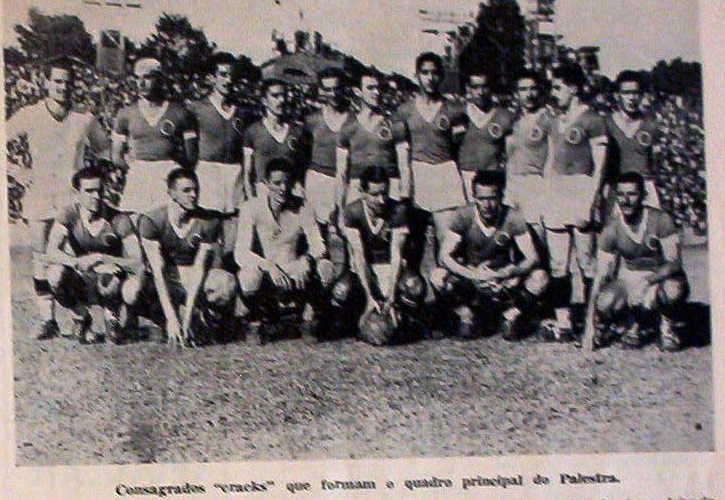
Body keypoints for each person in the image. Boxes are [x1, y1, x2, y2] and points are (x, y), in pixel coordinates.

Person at [6, 57, 107, 340]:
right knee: (40, 258)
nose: (63, 87)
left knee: (70, 260)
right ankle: (47, 319)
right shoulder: (30, 114)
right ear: (46, 82)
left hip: (71, 200)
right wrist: (15, 170)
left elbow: (105, 151)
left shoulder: (84, 118)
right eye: (57, 81)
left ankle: (79, 316)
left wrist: (92, 181)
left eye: (68, 82)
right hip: (39, 196)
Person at [430, 170, 548, 340]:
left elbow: (533, 257)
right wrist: (472, 275)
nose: (487, 205)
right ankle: (467, 315)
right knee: (437, 275)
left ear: (501, 196)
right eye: (482, 198)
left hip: (503, 283)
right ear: (474, 197)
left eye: (492, 198)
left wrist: (508, 272)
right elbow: (444, 256)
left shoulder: (512, 217)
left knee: (540, 277)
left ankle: (510, 314)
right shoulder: (463, 216)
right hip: (473, 281)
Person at [583, 172, 689, 351]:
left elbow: (674, 264)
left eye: (632, 194)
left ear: (643, 196)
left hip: (659, 278)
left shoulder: (660, 220)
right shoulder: (612, 227)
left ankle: (667, 327)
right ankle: (632, 324)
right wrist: (589, 326)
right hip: (630, 277)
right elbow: (600, 276)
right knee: (605, 301)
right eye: (621, 195)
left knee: (673, 290)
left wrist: (647, 282)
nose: (626, 200)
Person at [540, 63, 608, 341]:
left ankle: (594, 320)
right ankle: (564, 321)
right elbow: (550, 162)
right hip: (557, 191)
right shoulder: (556, 121)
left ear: (574, 88)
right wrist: (546, 196)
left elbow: (600, 167)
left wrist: (590, 204)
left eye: (558, 87)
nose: (554, 93)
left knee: (587, 262)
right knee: (558, 264)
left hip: (581, 190)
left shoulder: (593, 120)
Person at [42, 164, 143, 343]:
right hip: (82, 277)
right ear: (77, 193)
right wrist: (76, 262)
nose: (96, 196)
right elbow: (51, 252)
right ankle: (81, 316)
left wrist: (104, 258)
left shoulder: (119, 220)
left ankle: (112, 318)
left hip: (111, 281)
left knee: (120, 286)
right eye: (89, 191)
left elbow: (138, 261)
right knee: (53, 274)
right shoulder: (69, 214)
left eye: (99, 190)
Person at [234, 158, 333, 339]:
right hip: (267, 274)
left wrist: (307, 259)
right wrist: (269, 266)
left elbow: (318, 244)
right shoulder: (251, 208)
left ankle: (308, 317)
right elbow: (240, 253)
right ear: (265, 184)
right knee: (248, 275)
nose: (283, 189)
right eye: (277, 183)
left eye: (287, 183)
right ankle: (255, 320)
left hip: (294, 270)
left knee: (326, 267)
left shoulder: (302, 207)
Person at [137, 169, 238, 346]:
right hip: (164, 280)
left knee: (226, 283)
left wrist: (189, 315)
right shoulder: (151, 220)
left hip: (191, 278)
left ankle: (200, 317)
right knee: (136, 288)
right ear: (171, 193)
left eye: (195, 190)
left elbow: (199, 267)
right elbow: (157, 272)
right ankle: (163, 320)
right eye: (186, 190)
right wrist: (171, 318)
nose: (193, 195)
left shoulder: (208, 221)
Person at [340, 166, 428, 345]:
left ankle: (404, 321)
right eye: (374, 195)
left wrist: (391, 295)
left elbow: (396, 254)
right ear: (362, 192)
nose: (381, 200)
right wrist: (368, 296)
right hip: (365, 268)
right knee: (341, 291)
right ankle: (355, 322)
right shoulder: (352, 212)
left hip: (390, 268)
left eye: (384, 193)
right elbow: (359, 256)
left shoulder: (397, 211)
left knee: (415, 287)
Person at [112, 57, 199, 214]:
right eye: (138, 78)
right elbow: (116, 156)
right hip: (139, 175)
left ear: (159, 78)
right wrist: (135, 169)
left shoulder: (180, 113)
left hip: (168, 175)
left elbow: (191, 157)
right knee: (133, 223)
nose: (142, 83)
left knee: (168, 223)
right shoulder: (126, 114)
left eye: (147, 77)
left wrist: (174, 171)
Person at [394, 52, 467, 212]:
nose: (430, 78)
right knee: (416, 231)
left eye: (434, 73)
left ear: (441, 76)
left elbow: (459, 149)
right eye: (425, 73)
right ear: (417, 75)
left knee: (447, 231)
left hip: (445, 170)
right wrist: (405, 188)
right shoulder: (405, 110)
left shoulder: (454, 110)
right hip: (418, 172)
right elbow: (402, 153)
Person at [336, 67, 410, 209]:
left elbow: (404, 167)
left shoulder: (395, 124)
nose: (376, 92)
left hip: (388, 188)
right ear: (358, 91)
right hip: (357, 188)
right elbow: (341, 173)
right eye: (370, 88)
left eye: (379, 88)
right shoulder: (348, 127)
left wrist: (404, 199)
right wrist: (339, 206)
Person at [187, 52, 251, 212]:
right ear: (211, 78)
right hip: (207, 173)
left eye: (231, 75)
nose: (228, 80)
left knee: (234, 222)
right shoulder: (197, 108)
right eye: (223, 75)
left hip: (235, 173)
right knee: (208, 223)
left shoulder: (244, 111)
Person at [505, 70, 554, 230]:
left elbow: (553, 156)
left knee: (536, 236)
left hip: (535, 183)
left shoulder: (548, 119)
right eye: (523, 89)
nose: (529, 94)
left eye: (533, 88)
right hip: (512, 184)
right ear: (516, 93)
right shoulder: (512, 120)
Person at [242, 78, 308, 198]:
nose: (281, 100)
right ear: (264, 101)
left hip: (289, 193)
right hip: (263, 194)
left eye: (283, 96)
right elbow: (247, 174)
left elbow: (300, 173)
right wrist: (251, 202)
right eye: (275, 96)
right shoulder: (253, 131)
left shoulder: (297, 131)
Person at [605, 71, 661, 210]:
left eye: (636, 93)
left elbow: (656, 160)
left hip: (644, 188)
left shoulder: (651, 124)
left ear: (641, 95)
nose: (631, 98)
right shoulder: (606, 123)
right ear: (617, 95)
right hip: (616, 188)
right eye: (626, 93)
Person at [458, 71, 516, 200]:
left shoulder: (505, 116)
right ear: (468, 88)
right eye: (475, 87)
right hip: (466, 175)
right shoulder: (458, 113)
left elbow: (511, 153)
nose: (481, 92)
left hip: (493, 176)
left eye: (485, 86)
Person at [303, 67, 350, 224]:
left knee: (344, 231)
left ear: (343, 89)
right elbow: (302, 156)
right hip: (317, 181)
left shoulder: (352, 120)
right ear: (321, 91)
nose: (333, 94)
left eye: (337, 89)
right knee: (316, 235)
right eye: (328, 89)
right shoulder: (312, 120)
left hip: (344, 182)